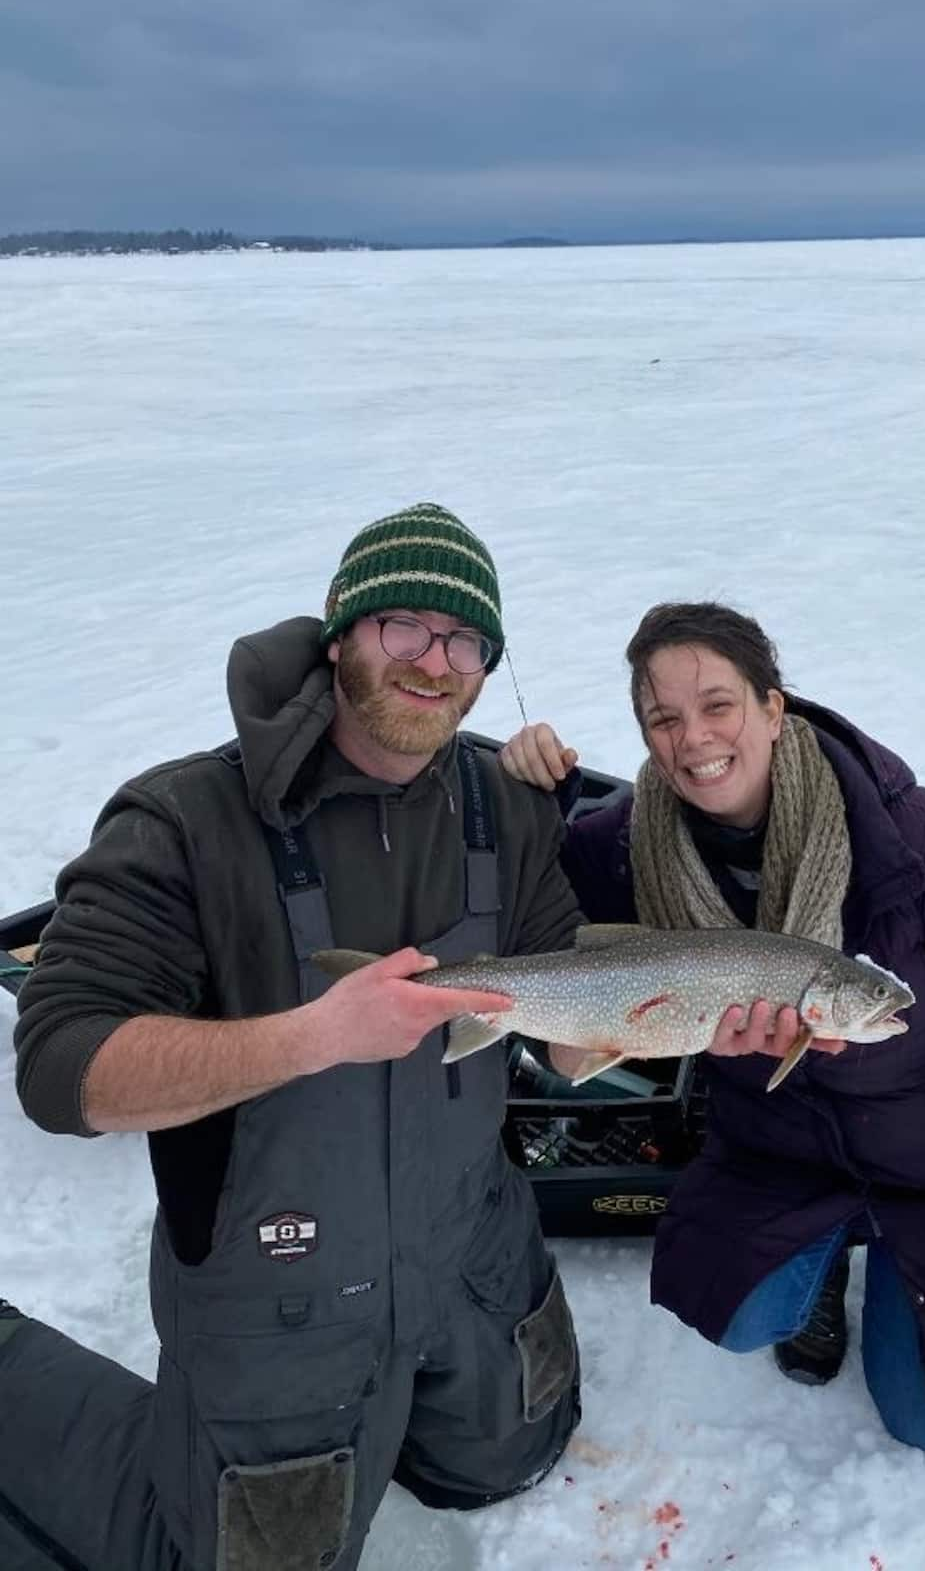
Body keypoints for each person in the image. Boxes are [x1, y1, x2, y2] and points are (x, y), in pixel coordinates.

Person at [0, 503, 581, 1571]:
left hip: (466, 1250)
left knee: (513, 1455)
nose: (433, 660)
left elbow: (570, 1032)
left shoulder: (510, 807)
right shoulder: (184, 822)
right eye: (403, 625)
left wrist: (671, 1025)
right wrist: (310, 1038)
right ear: (339, 636)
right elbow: (60, 1070)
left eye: (463, 640)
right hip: (284, 1295)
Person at [499, 601, 925, 1451]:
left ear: (774, 708)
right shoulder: (625, 846)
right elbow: (530, 906)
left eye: (719, 704)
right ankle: (814, 1275)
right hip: (780, 1155)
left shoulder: (908, 836)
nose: (693, 737)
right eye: (663, 718)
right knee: (735, 1312)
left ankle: (900, 1257)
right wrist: (529, 794)